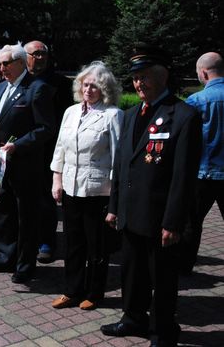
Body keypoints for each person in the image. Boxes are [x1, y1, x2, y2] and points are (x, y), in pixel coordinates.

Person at [100, 44, 202, 347]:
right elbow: (122, 166)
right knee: (131, 273)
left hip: (160, 218)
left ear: (163, 76)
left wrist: (173, 222)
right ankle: (132, 318)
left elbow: (183, 176)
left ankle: (162, 331)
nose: (138, 84)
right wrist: (114, 206)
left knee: (163, 279)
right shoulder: (131, 115)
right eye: (134, 79)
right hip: (131, 214)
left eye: (144, 77)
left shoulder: (183, 115)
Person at [49, 61, 123, 311]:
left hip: (98, 191)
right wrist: (56, 179)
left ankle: (94, 292)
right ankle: (71, 290)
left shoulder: (113, 115)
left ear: (104, 89)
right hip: (70, 187)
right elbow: (60, 147)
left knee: (97, 247)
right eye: (85, 84)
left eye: (95, 85)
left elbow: (118, 157)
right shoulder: (70, 111)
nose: (89, 89)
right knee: (73, 244)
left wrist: (115, 196)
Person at [0, 43, 56, 284]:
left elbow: (45, 128)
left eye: (5, 63)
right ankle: (5, 257)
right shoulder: (1, 87)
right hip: (0, 166)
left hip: (25, 167)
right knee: (3, 213)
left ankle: (25, 265)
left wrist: (18, 145)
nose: (1, 68)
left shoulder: (37, 88)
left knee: (26, 218)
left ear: (21, 63)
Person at [24, 40, 73, 264]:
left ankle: (47, 242)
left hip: (47, 149)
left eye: (43, 53)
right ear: (25, 56)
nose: (40, 58)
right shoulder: (20, 81)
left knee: (46, 199)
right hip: (22, 149)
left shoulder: (59, 83)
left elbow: (65, 119)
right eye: (35, 54)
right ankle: (26, 241)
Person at [179, 52, 224, 274]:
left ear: (203, 73)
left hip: (203, 173)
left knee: (191, 222)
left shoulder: (196, 101)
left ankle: (185, 266)